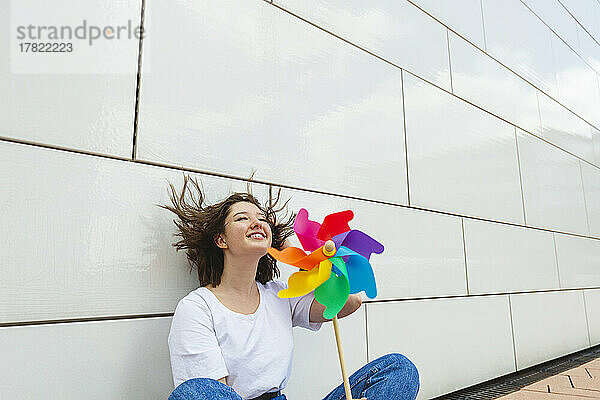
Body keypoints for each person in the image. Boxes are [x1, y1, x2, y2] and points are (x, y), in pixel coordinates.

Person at [161, 175, 420, 400]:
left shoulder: (280, 295)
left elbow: (350, 301)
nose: (257, 223)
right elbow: (208, 393)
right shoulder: (196, 308)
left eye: (262, 220)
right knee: (193, 393)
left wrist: (305, 255)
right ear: (221, 239)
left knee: (399, 369)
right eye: (242, 218)